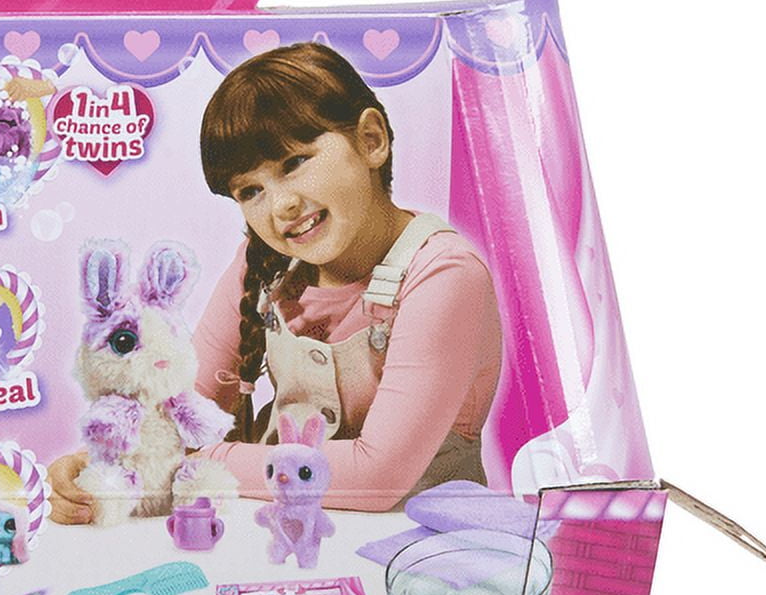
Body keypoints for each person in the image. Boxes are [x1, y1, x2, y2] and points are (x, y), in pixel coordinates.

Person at [48, 42, 501, 520]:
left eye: (294, 163)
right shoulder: (264, 265)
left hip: (412, 544)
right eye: (251, 190)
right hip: (273, 538)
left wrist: (197, 460)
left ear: (371, 140)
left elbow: (377, 476)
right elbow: (182, 408)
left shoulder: (444, 276)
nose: (281, 205)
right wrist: (110, 462)